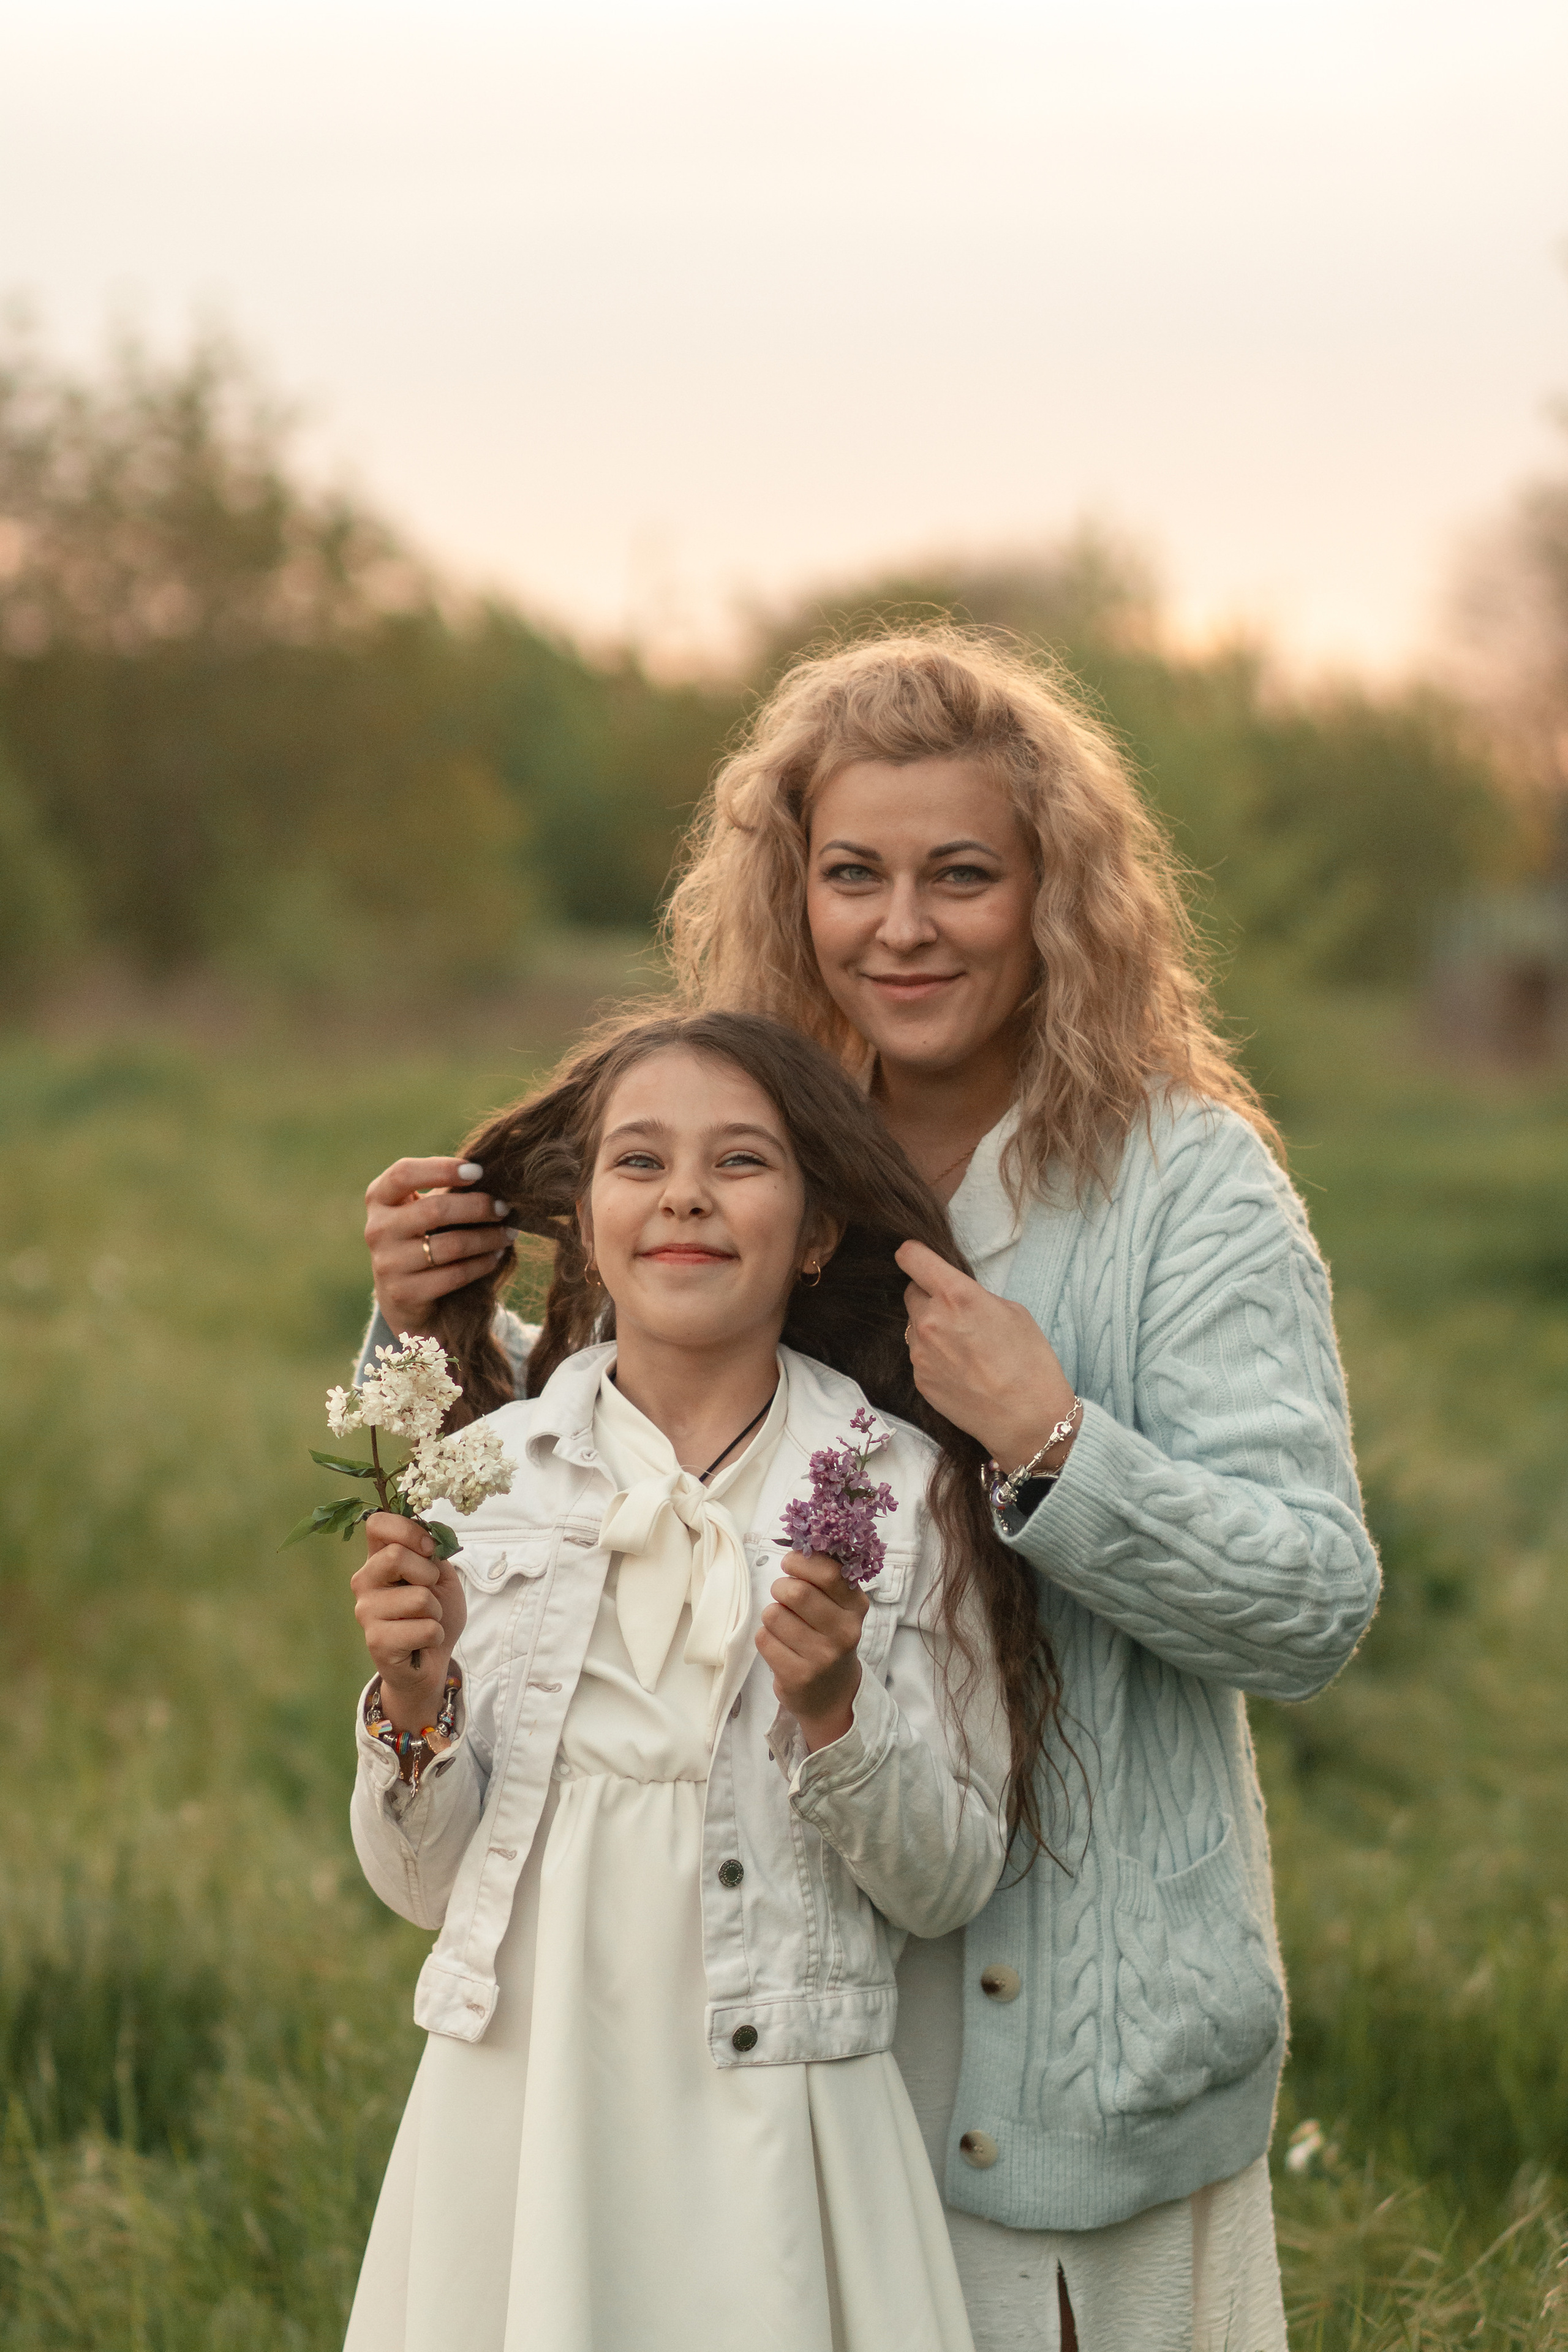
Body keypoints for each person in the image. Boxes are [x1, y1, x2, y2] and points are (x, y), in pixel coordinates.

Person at [355, 630, 1381, 2352]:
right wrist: (425, 1316)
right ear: (796, 893)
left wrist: (1058, 1445)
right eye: (855, 875)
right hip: (770, 2073)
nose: (903, 925)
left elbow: (1312, 1607)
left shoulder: (1183, 1186)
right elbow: (607, 1463)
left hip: (1066, 2080)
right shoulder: (765, 1150)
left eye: (962, 875)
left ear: (1054, 895)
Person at [344, 1009, 1061, 2352]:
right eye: (638, 1163)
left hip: (775, 2092)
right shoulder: (485, 1473)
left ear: (815, 1234)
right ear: (584, 1215)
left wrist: (834, 1711)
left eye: (738, 1163)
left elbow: (948, 1880)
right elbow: (421, 1887)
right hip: (527, 2080)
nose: (683, 1195)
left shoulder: (895, 1487)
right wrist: (413, 1703)